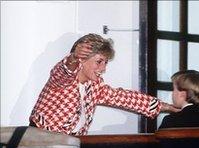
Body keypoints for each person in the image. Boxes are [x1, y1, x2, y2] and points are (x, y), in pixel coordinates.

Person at [29, 33, 178, 135]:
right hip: (41, 147)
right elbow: (65, 70)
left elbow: (127, 98)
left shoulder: (94, 87)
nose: (103, 69)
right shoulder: (62, 80)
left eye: (105, 63)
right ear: (82, 59)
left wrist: (168, 107)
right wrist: (74, 57)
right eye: (99, 62)